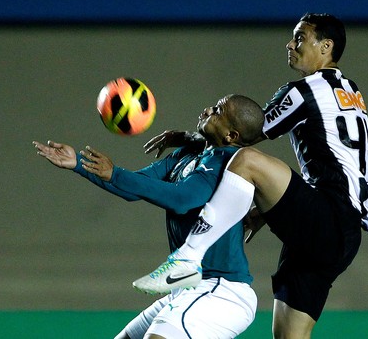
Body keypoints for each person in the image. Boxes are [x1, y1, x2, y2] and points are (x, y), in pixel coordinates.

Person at [135, 13, 368, 339]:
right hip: (343, 232)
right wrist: (264, 212)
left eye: (300, 38)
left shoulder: (305, 90)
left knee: (247, 161)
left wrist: (192, 138)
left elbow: (244, 132)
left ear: (326, 46)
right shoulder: (350, 90)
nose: (290, 44)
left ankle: (187, 258)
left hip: (327, 217)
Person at [33, 94, 264, 339]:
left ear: (232, 136)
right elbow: (136, 186)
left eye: (218, 110)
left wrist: (114, 174)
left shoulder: (227, 164)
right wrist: (78, 163)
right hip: (187, 288)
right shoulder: (187, 155)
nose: (208, 108)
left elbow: (182, 199)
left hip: (221, 291)